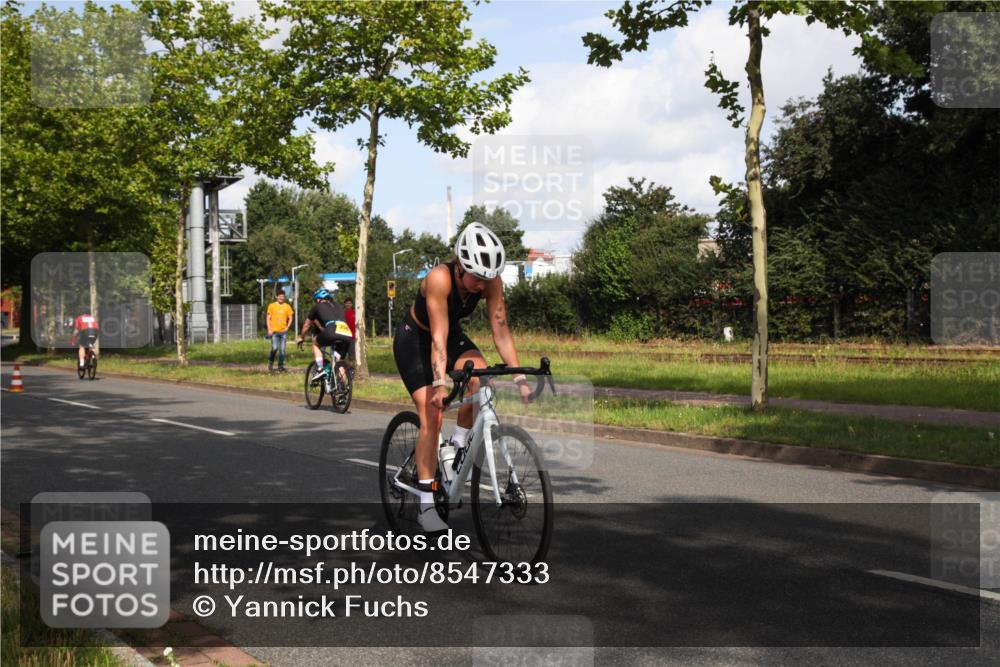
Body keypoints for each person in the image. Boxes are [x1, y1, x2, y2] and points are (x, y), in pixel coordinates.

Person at [393, 222, 533, 533]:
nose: (483, 286)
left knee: (481, 381)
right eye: (478, 278)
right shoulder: (439, 280)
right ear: (460, 266)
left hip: (450, 336)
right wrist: (440, 383)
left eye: (488, 278)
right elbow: (437, 338)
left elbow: (501, 331)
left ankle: (454, 449)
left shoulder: (491, 281)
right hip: (416, 340)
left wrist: (520, 378)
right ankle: (426, 505)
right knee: (432, 414)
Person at [296, 288, 353, 385]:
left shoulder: (317, 306)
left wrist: (301, 337)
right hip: (347, 334)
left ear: (318, 299)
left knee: (315, 343)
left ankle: (320, 368)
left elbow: (307, 325)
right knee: (338, 361)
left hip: (331, 331)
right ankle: (342, 389)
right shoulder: (338, 306)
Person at [266, 288, 294, 372]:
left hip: (283, 332)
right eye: (280, 296)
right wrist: (269, 329)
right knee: (274, 348)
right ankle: (270, 362)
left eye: (283, 296)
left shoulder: (287, 306)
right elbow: (268, 318)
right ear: (276, 297)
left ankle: (280, 366)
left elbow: (291, 317)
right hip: (274, 331)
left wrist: (287, 327)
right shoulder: (271, 306)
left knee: (282, 350)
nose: (281, 298)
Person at [343, 297, 357, 364]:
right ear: (344, 304)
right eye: (347, 303)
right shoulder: (342, 313)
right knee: (342, 355)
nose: (348, 304)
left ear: (352, 304)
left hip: (352, 337)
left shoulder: (355, 312)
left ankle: (350, 370)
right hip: (344, 336)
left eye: (350, 303)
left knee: (352, 355)